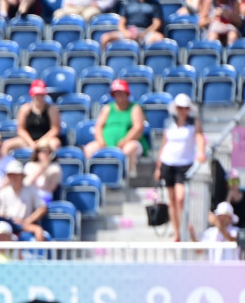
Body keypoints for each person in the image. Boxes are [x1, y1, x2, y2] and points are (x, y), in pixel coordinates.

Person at [154, 93, 206, 243]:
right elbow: (164, 145)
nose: (183, 110)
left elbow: (199, 137)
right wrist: (158, 167)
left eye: (185, 108)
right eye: (180, 107)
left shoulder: (194, 123)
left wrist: (201, 151)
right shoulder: (169, 123)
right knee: (171, 199)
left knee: (180, 198)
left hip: (184, 164)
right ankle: (177, 232)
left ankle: (185, 227)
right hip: (168, 163)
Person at [83, 80, 147, 176]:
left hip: (129, 142)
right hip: (106, 143)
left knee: (129, 149)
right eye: (116, 93)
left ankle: (124, 177)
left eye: (121, 93)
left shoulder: (135, 108)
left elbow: (138, 128)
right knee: (89, 149)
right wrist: (101, 141)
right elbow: (98, 126)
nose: (118, 95)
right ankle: (93, 177)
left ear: (126, 93)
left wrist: (124, 141)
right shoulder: (108, 108)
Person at [4, 80, 63, 154]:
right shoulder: (25, 109)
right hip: (28, 140)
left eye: (40, 94)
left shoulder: (52, 109)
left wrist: (41, 141)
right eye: (36, 94)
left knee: (55, 144)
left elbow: (55, 129)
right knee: (6, 144)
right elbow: (21, 129)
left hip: (46, 139)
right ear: (32, 95)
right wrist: (31, 143)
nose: (38, 97)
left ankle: (52, 160)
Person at [0, 161, 47, 241]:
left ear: (22, 176)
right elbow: (0, 214)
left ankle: (40, 249)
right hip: (8, 225)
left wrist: (27, 221)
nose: (14, 178)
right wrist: (10, 221)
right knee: (1, 230)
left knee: (39, 231)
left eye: (16, 175)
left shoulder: (31, 190)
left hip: (25, 225)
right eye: (11, 175)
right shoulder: (3, 193)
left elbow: (42, 208)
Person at [99, 0, 165, 48]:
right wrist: (125, 33)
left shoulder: (155, 4)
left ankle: (145, 59)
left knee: (159, 37)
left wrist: (143, 33)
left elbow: (157, 24)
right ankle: (103, 60)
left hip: (146, 33)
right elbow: (121, 23)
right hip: (129, 31)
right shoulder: (129, 3)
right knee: (105, 38)